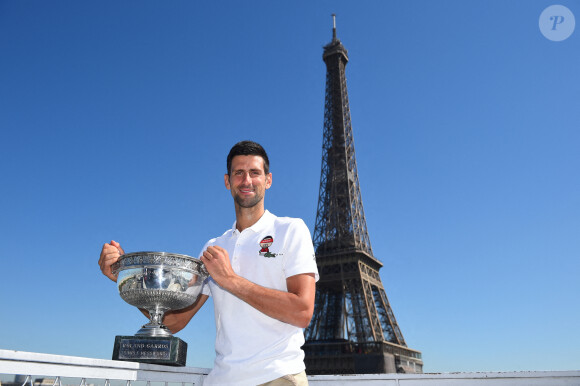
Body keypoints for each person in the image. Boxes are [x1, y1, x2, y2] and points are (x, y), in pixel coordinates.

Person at [99, 140, 319, 385]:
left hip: (277, 376)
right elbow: (175, 322)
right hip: (222, 379)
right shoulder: (213, 248)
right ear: (228, 182)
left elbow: (302, 311)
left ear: (268, 180)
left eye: (255, 173)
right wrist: (127, 278)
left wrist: (231, 280)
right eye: (239, 173)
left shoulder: (291, 230)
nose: (247, 180)